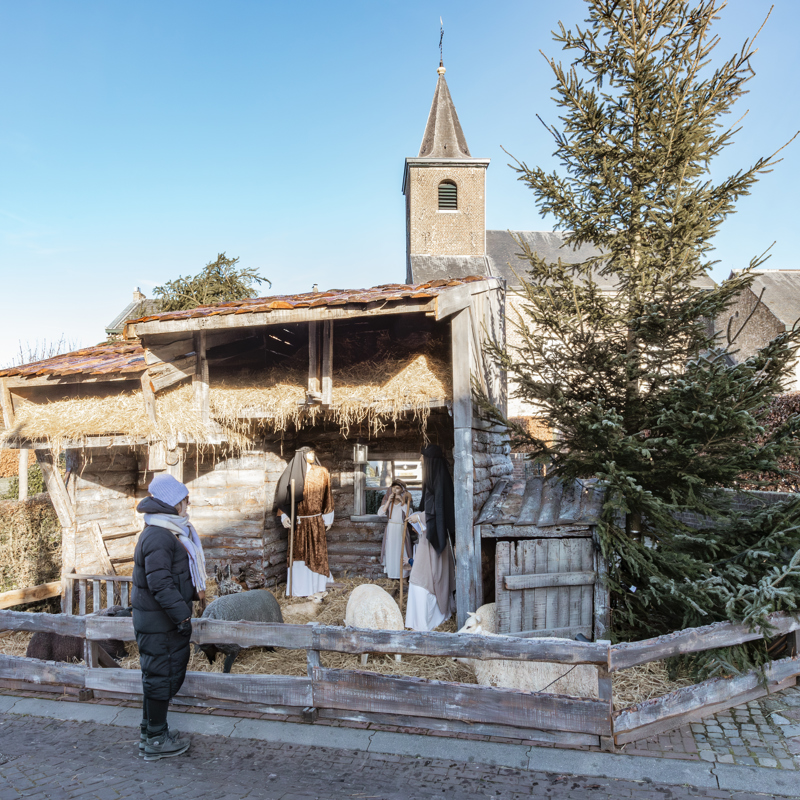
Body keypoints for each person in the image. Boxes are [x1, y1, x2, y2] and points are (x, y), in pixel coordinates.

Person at [133, 473, 206, 762]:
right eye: (184, 500)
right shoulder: (159, 536)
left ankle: (151, 732)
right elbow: (160, 583)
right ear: (173, 502)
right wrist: (183, 617)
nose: (187, 505)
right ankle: (156, 739)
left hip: (160, 621)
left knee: (157, 676)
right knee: (160, 677)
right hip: (161, 622)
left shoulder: (167, 531)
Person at [275, 447, 334, 596]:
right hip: (298, 522)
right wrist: (284, 516)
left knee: (317, 554)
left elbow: (327, 495)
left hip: (315, 521)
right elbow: (283, 496)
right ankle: (299, 590)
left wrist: (328, 517)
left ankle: (317, 587)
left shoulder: (322, 472)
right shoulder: (291, 473)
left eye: (313, 452)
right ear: (301, 455)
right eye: (309, 452)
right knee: (298, 554)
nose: (312, 455)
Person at [378, 479, 413, 580]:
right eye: (393, 488)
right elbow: (380, 514)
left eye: (397, 488)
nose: (395, 490)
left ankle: (404, 576)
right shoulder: (388, 501)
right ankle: (391, 575)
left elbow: (409, 514)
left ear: (402, 490)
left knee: (402, 551)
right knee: (391, 551)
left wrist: (402, 501)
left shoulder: (406, 499)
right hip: (391, 529)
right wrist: (388, 501)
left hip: (401, 528)